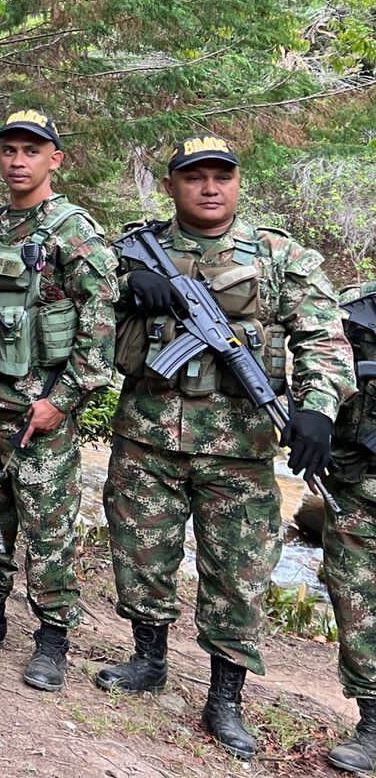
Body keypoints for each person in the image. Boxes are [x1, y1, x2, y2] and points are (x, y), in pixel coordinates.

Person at [97, 134, 351, 758]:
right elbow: (78, 294)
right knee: (141, 556)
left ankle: (225, 698)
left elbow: (324, 341)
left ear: (237, 182)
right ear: (171, 185)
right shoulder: (133, 247)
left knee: (239, 575)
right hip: (147, 438)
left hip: (240, 450)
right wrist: (130, 285)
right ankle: (148, 660)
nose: (209, 188)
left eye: (221, 176)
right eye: (194, 177)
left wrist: (316, 412)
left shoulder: (280, 257)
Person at [0, 109, 117, 692]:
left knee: (47, 524)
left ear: (53, 159)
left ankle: (53, 639)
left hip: (42, 407)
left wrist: (64, 398)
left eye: (31, 151)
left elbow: (99, 322)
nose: (17, 160)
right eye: (8, 150)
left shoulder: (72, 230)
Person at [326, 282, 376, 775]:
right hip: (359, 487)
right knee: (356, 603)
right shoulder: (351, 312)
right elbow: (316, 371)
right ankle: (373, 725)